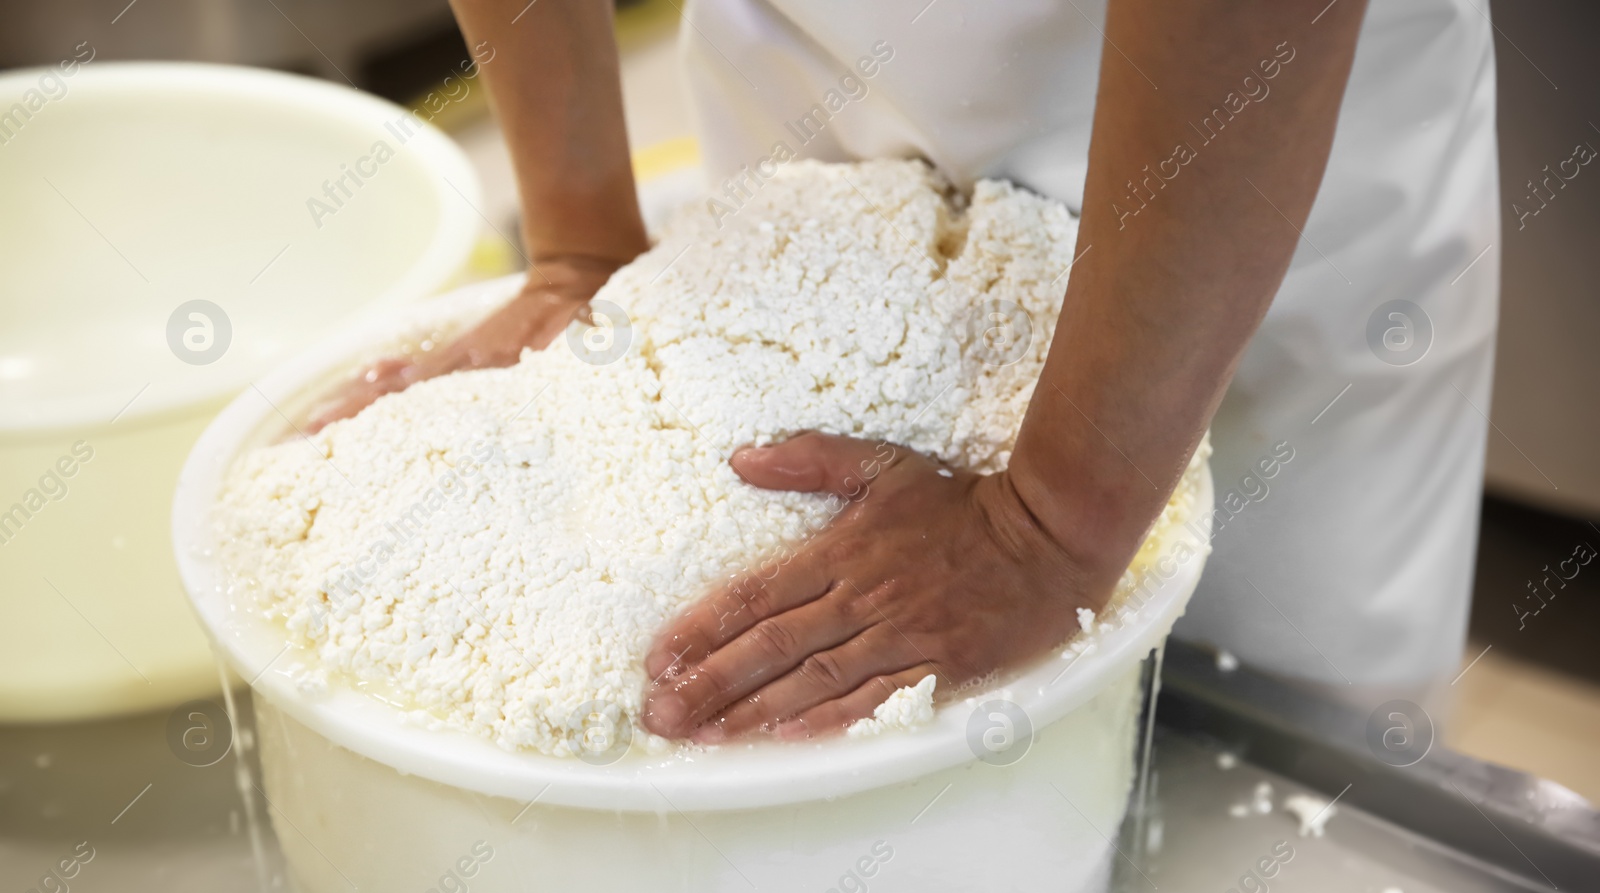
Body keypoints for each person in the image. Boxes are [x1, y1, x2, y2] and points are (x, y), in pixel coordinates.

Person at [321, 0, 1498, 742]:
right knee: (810, 745)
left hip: (1236, 181)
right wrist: (581, 237)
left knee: (1258, 794)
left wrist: (1053, 523)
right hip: (820, 98)